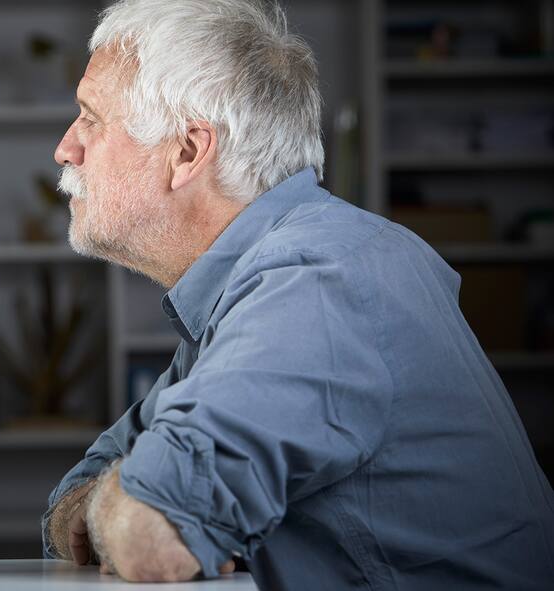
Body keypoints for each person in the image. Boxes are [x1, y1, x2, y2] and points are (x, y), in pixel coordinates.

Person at [42, 0, 554, 588]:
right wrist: (116, 495)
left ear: (187, 151)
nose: (66, 148)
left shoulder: (316, 281)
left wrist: (119, 502)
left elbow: (152, 535)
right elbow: (75, 494)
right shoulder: (248, 284)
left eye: (90, 118)